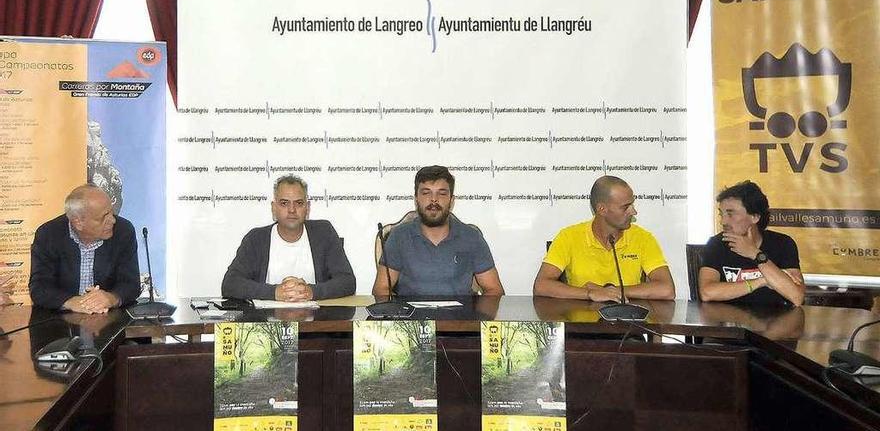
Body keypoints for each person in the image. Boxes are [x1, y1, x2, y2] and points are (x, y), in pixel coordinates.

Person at [534, 175, 675, 301]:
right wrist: (589, 293)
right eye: (626, 207)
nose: (634, 211)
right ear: (602, 209)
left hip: (629, 325)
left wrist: (613, 291)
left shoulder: (643, 238)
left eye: (632, 204)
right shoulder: (569, 237)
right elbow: (541, 285)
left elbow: (667, 290)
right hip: (580, 326)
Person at [373, 165, 504, 296]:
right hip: (411, 315)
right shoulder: (399, 237)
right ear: (416, 199)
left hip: (461, 316)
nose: (433, 199)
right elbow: (381, 289)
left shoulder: (471, 237)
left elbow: (494, 290)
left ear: (451, 200)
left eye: (441, 193)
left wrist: (476, 315)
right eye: (426, 193)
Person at [222, 175, 355, 301]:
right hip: (267, 321)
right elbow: (230, 284)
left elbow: (347, 281)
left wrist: (310, 292)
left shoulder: (324, 233)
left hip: (316, 322)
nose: (292, 210)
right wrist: (275, 292)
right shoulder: (256, 239)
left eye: (298, 203)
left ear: (307, 208)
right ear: (274, 209)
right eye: (284, 203)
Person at [29, 184, 141, 313]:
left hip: (110, 318)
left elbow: (131, 284)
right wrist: (71, 302)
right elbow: (39, 287)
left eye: (111, 212)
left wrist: (110, 298)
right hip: (61, 320)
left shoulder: (123, 231)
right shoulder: (48, 234)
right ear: (78, 222)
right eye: (103, 217)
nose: (112, 220)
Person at [699, 181, 804, 306]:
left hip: (774, 321)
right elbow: (707, 293)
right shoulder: (716, 245)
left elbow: (797, 297)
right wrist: (761, 281)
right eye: (721, 214)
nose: (723, 221)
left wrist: (755, 253)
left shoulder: (783, 244)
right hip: (730, 322)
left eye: (730, 214)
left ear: (755, 217)